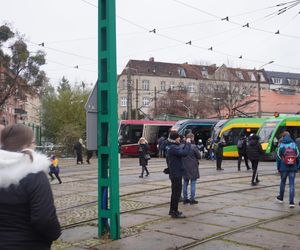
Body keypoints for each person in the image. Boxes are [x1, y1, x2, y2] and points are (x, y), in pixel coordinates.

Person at [0, 124, 61, 249]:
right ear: (25, 145)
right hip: (28, 243)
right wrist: (54, 234)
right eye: (33, 142)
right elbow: (44, 219)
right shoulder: (35, 175)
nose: (35, 146)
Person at [165, 131, 191, 218]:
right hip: (176, 173)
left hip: (174, 172)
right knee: (176, 193)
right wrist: (188, 143)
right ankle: (174, 212)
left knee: (174, 193)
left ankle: (172, 210)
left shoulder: (170, 146)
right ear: (175, 139)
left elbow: (179, 150)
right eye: (179, 139)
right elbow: (184, 153)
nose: (179, 140)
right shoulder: (173, 147)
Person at [276, 131, 300, 208]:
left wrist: (278, 168)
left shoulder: (281, 145)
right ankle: (291, 202)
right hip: (293, 167)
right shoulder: (294, 144)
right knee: (292, 184)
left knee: (283, 182)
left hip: (283, 167)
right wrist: (297, 166)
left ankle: (281, 198)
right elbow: (298, 156)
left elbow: (278, 158)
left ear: (283, 136)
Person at [182, 133, 201, 204]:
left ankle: (185, 198)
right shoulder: (194, 147)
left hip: (184, 166)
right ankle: (192, 199)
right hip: (193, 167)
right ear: (192, 138)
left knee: (185, 183)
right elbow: (199, 156)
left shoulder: (182, 146)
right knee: (193, 183)